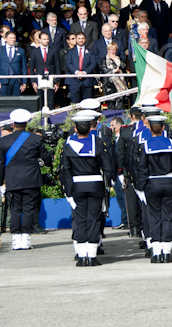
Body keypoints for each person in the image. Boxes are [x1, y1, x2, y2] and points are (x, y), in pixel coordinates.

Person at [0, 109, 53, 251]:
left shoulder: (4, 140)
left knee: (14, 209)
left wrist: (0, 183)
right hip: (31, 180)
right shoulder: (35, 139)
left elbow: (0, 164)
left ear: (13, 124)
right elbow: (46, 158)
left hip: (12, 181)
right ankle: (25, 240)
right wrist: (47, 164)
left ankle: (16, 240)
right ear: (26, 124)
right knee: (28, 209)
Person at [60, 114, 114, 265]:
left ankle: (81, 256)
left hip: (77, 186)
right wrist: (108, 183)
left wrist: (67, 191)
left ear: (75, 129)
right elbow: (107, 167)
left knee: (80, 219)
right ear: (91, 128)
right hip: (95, 185)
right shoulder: (97, 142)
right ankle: (91, 255)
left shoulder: (68, 145)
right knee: (93, 219)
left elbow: (65, 170)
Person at [136, 114, 172, 263]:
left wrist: (141, 187)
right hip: (170, 182)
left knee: (154, 216)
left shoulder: (145, 144)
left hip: (152, 184)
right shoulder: (171, 143)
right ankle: (167, 252)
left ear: (150, 128)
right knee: (169, 216)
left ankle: (156, 252)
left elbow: (142, 168)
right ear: (163, 128)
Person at [28, 31, 60, 107]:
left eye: (47, 39)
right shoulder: (34, 52)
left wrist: (57, 81)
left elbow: (57, 66)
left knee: (50, 101)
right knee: (39, 101)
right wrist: (33, 82)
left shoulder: (54, 51)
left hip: (50, 77)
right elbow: (31, 67)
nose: (47, 41)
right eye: (44, 39)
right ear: (39, 40)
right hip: (39, 78)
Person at [0, 31, 27, 96]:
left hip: (17, 81)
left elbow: (24, 67)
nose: (13, 40)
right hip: (3, 81)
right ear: (5, 39)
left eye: (14, 38)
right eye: (11, 38)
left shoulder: (21, 51)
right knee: (4, 102)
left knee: (16, 103)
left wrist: (24, 82)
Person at [65, 32, 97, 103]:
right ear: (76, 39)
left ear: (85, 39)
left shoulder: (90, 51)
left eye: (82, 38)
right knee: (74, 103)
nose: (81, 40)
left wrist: (84, 73)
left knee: (88, 103)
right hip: (74, 80)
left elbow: (93, 63)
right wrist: (77, 73)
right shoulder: (70, 52)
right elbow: (68, 63)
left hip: (87, 81)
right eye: (79, 38)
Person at [99, 42, 127, 109]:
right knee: (110, 106)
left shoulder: (119, 59)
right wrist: (113, 71)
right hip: (109, 85)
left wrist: (115, 59)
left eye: (114, 49)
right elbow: (104, 70)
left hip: (119, 85)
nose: (112, 51)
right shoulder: (103, 60)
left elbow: (123, 66)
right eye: (110, 49)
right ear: (108, 50)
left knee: (120, 106)